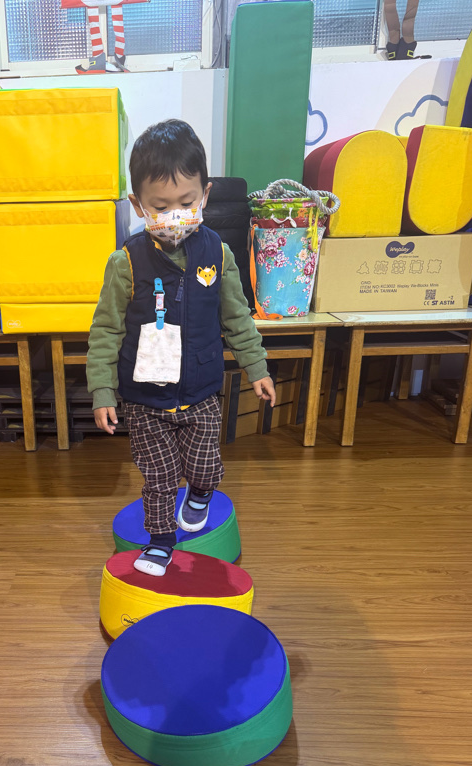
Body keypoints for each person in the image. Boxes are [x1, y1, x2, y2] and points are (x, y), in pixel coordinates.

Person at [87, 119, 276, 577]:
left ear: (204, 195)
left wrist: (257, 367)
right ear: (138, 205)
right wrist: (102, 391)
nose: (175, 215)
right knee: (159, 478)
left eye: (187, 203)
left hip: (201, 391)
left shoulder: (218, 254)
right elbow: (105, 330)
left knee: (205, 468)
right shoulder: (125, 262)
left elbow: (236, 317)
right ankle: (160, 541)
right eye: (161, 206)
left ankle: (201, 492)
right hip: (145, 399)